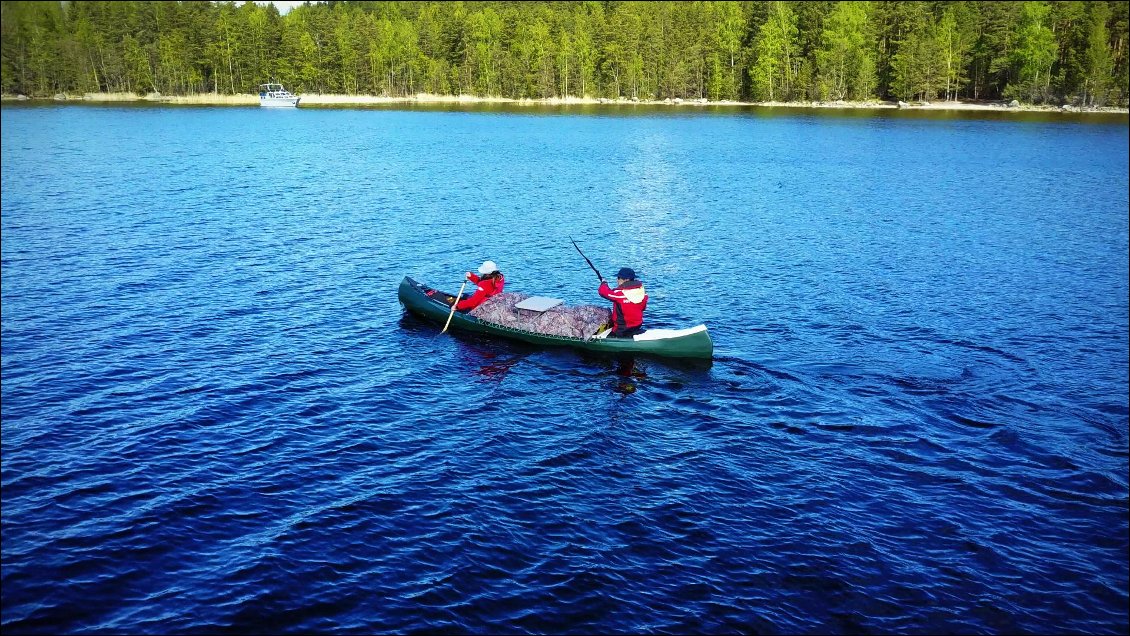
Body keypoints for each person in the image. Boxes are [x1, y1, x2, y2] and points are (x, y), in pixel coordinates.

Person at [598, 267, 648, 337]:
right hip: (637, 326)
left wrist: (604, 283)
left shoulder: (619, 294)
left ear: (626, 280)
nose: (617, 280)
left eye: (618, 278)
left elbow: (603, 292)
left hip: (622, 329)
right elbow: (643, 308)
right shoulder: (642, 293)